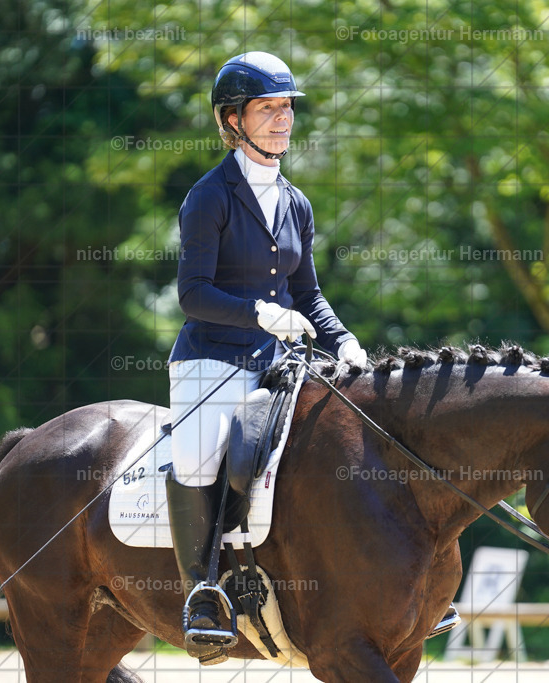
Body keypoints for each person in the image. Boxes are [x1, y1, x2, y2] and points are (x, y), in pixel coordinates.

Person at [165, 51, 367, 662]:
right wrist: (259, 314)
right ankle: (201, 592)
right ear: (233, 120)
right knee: (200, 454)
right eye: (267, 108)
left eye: (287, 108)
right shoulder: (209, 197)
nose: (282, 120)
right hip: (214, 358)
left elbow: (308, 294)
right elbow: (192, 294)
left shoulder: (296, 202)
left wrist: (345, 341)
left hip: (280, 363)